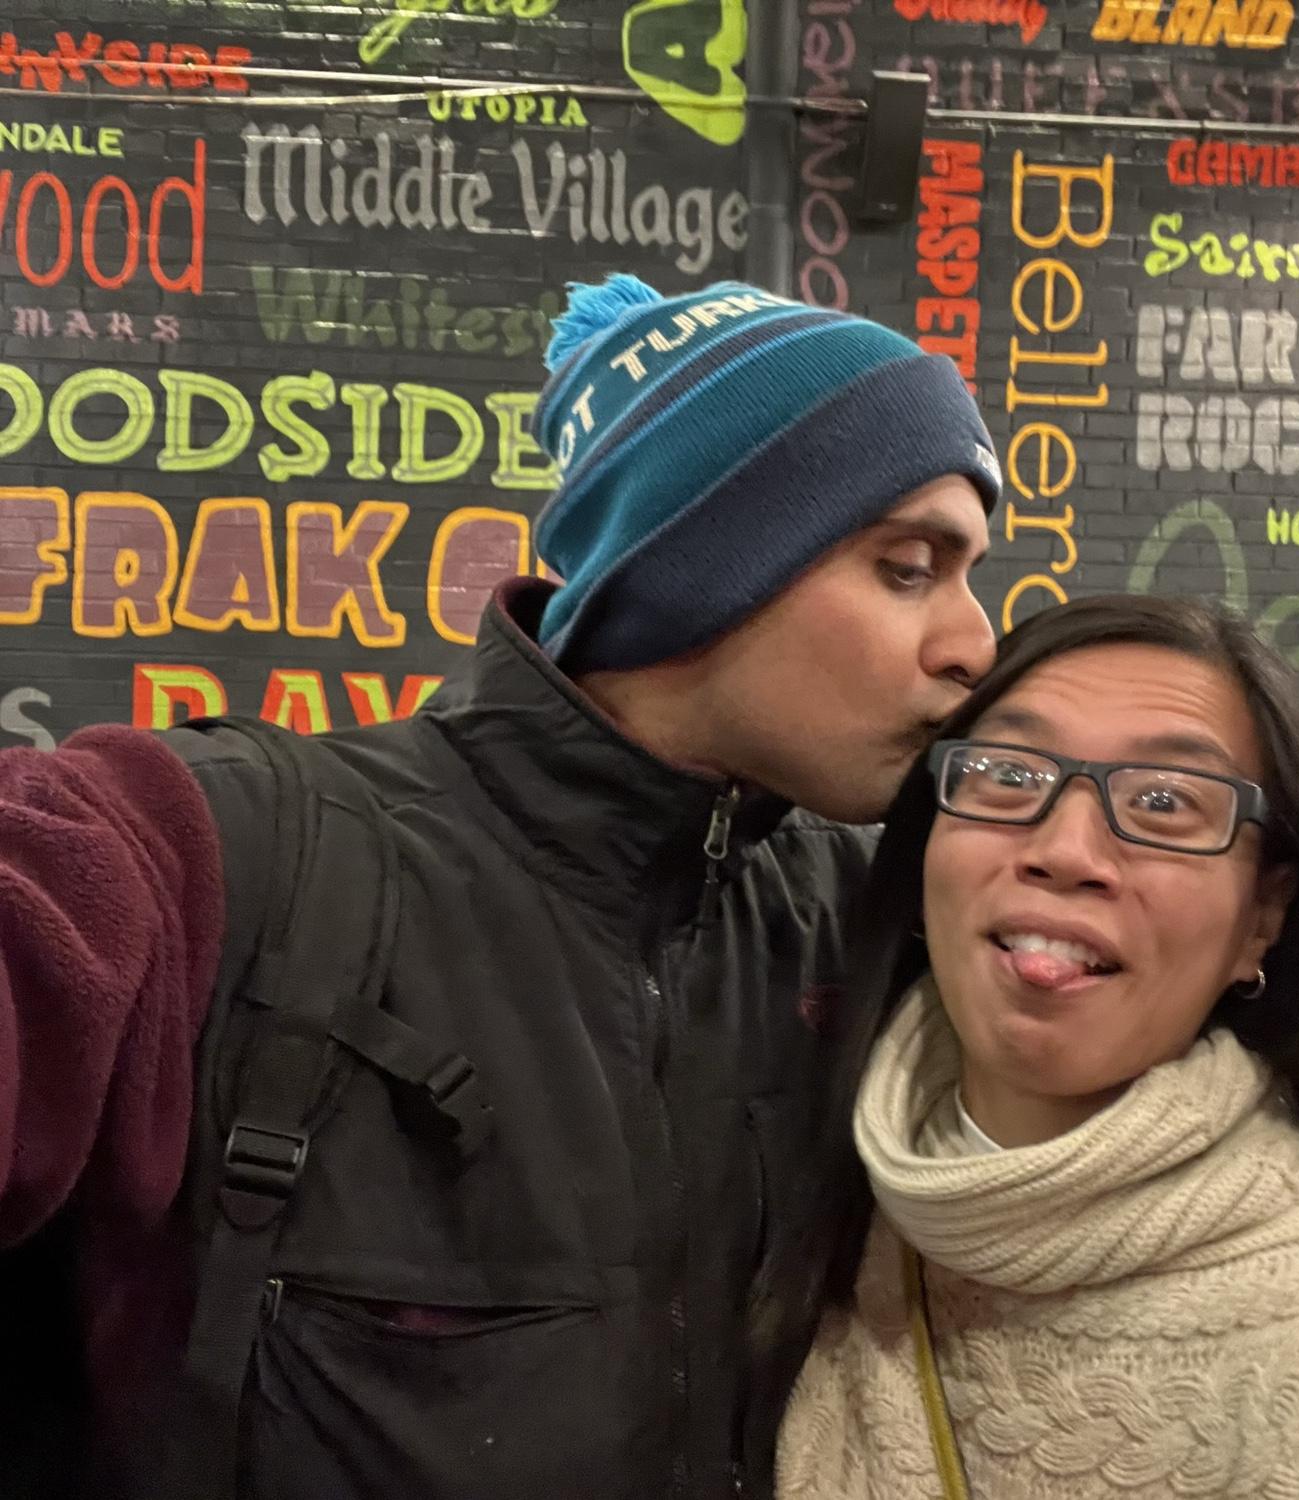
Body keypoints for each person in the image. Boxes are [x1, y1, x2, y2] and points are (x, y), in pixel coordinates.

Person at [0, 274, 1002, 1499]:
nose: (976, 644)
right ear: (705, 568)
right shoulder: (217, 849)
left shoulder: (869, 922)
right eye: (909, 567)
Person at [775, 594, 1299, 1499]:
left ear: (1261, 919)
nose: (1066, 850)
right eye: (1008, 773)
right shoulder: (797, 1198)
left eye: (1164, 802)